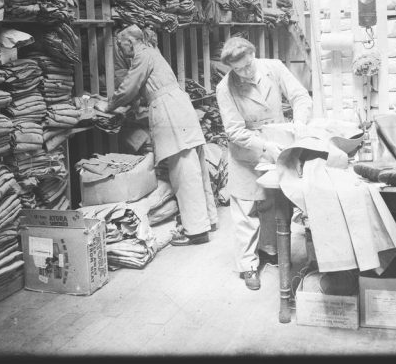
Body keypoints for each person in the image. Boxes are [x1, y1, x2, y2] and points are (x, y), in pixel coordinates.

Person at [215, 36, 312, 290]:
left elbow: (300, 96)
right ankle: (247, 266)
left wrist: (300, 123)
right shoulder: (225, 88)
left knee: (273, 201)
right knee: (247, 208)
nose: (245, 72)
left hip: (278, 141)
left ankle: (269, 250)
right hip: (247, 149)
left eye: (248, 65)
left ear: (253, 55)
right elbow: (234, 131)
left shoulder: (274, 67)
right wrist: (264, 145)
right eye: (238, 69)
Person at [107, 24, 218, 245]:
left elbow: (129, 87)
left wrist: (109, 105)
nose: (121, 51)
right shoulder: (152, 53)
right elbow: (142, 86)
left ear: (130, 42)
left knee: (183, 171)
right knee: (197, 166)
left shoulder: (142, 55)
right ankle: (208, 220)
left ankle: (196, 231)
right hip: (180, 106)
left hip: (170, 110)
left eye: (121, 45)